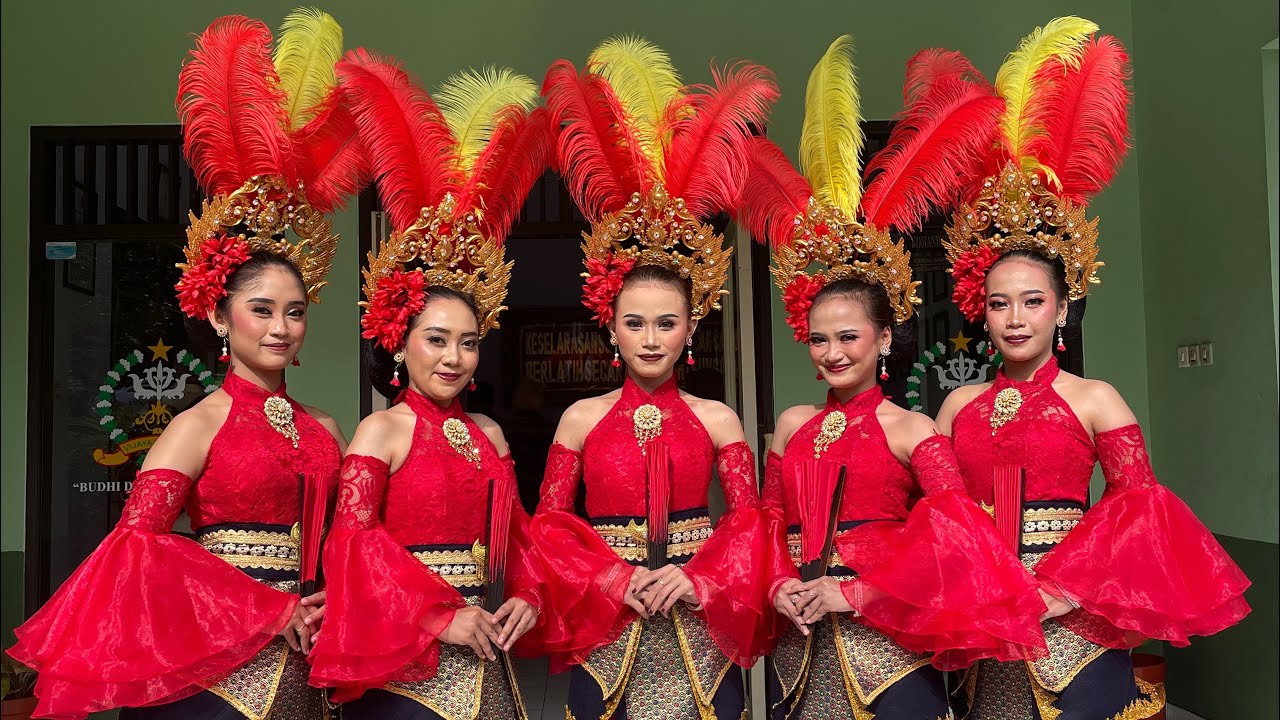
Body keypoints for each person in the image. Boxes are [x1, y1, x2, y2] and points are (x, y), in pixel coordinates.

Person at [7, 10, 367, 718]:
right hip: (213, 663)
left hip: (307, 659)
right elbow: (139, 546)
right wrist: (265, 610)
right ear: (217, 317)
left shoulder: (323, 424)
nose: (280, 327)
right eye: (261, 309)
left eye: (295, 311)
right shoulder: (197, 424)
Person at [933, 18, 1251, 719]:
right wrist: (983, 587)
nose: (1016, 318)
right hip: (988, 616)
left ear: (1061, 309)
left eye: (1033, 302)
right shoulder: (956, 409)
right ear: (978, 312)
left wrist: (1068, 590)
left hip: (1073, 612)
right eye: (999, 304)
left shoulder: (1095, 397)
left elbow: (1138, 508)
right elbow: (940, 519)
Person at [739, 36, 1045, 719]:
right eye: (819, 339)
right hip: (802, 649)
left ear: (883, 340)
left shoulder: (914, 430)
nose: (832, 353)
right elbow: (765, 525)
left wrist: (854, 593)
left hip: (889, 648)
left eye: (848, 337)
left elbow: (957, 539)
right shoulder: (791, 426)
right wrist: (782, 583)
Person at [531, 37, 778, 719]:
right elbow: (548, 529)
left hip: (696, 619)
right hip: (608, 618)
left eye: (665, 323)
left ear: (690, 329)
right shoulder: (578, 419)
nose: (650, 338)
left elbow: (751, 524)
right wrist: (613, 576)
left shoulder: (718, 418)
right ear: (610, 328)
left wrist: (695, 579)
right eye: (634, 323)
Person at [305, 52, 553, 720]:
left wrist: (526, 594)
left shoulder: (491, 434)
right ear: (400, 340)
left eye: (469, 343)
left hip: (484, 655)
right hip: (404, 660)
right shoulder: (381, 430)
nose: (453, 358)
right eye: (436, 340)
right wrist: (439, 618)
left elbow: (520, 537)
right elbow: (352, 544)